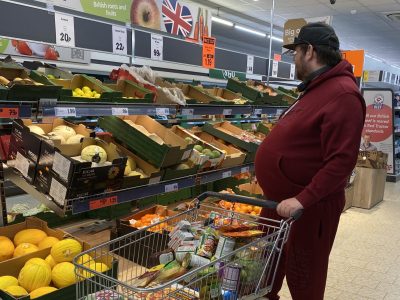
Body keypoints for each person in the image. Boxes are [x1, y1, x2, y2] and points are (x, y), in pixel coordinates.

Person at [255, 23, 366, 300]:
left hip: (307, 209)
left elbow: (341, 162)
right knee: (262, 271)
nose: (293, 59)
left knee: (305, 278)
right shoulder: (317, 88)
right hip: (278, 204)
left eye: (295, 53)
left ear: (310, 51)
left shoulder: (343, 95)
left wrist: (303, 199)